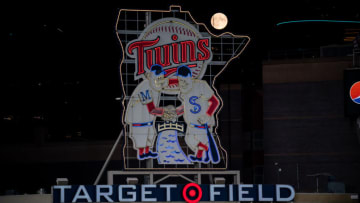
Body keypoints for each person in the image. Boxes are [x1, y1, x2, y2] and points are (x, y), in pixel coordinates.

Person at [175, 65, 220, 163]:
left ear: (189, 76)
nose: (181, 83)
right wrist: (175, 112)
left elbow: (215, 102)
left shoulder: (201, 85)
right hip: (192, 123)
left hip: (202, 123)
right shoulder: (184, 90)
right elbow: (186, 106)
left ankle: (203, 152)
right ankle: (202, 153)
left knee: (193, 139)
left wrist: (207, 115)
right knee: (189, 139)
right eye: (180, 80)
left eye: (183, 80)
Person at [125, 64, 168, 160]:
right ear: (151, 76)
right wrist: (165, 112)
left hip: (148, 119)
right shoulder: (145, 86)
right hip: (139, 120)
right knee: (141, 137)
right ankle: (141, 154)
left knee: (150, 134)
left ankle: (147, 152)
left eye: (161, 76)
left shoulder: (154, 86)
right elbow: (151, 108)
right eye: (158, 77)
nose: (161, 79)